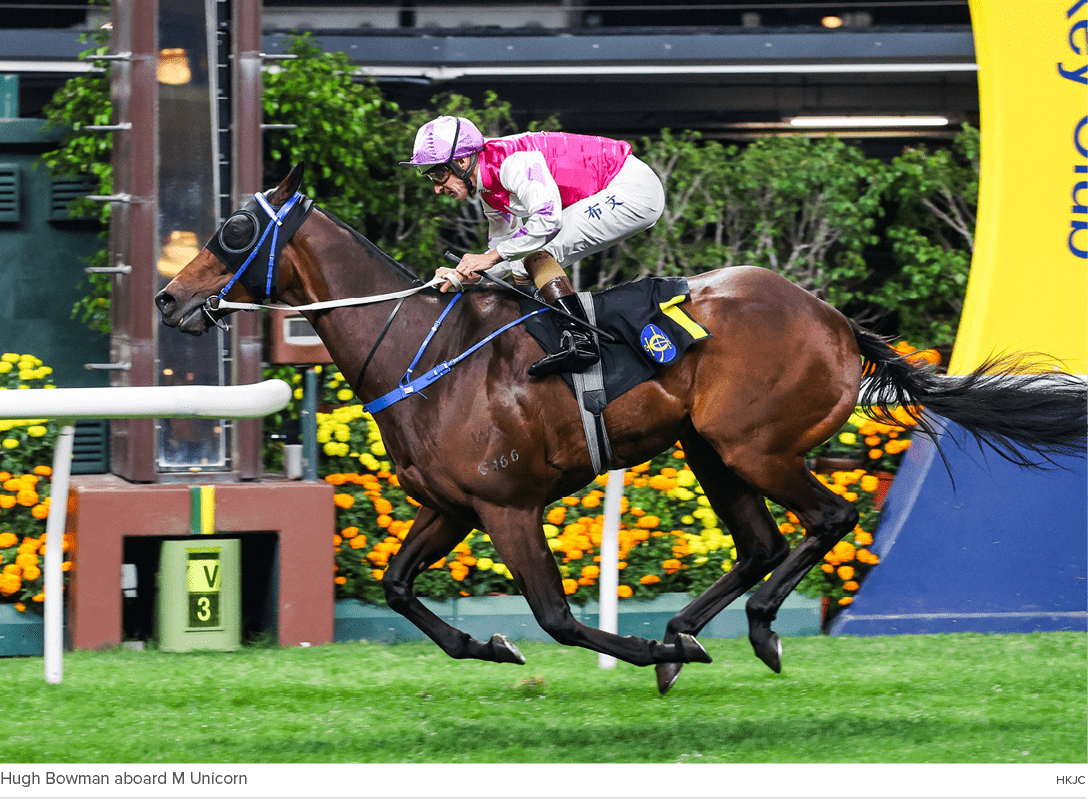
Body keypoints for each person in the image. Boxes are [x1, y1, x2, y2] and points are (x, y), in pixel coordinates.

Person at [400, 115, 666, 377]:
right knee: (523, 256)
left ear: (461, 161)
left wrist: (489, 258)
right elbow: (503, 256)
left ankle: (581, 340)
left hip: (633, 189)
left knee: (537, 252)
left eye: (437, 173)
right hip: (617, 189)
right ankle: (553, 340)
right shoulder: (487, 190)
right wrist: (460, 275)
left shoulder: (512, 162)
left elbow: (548, 220)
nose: (436, 188)